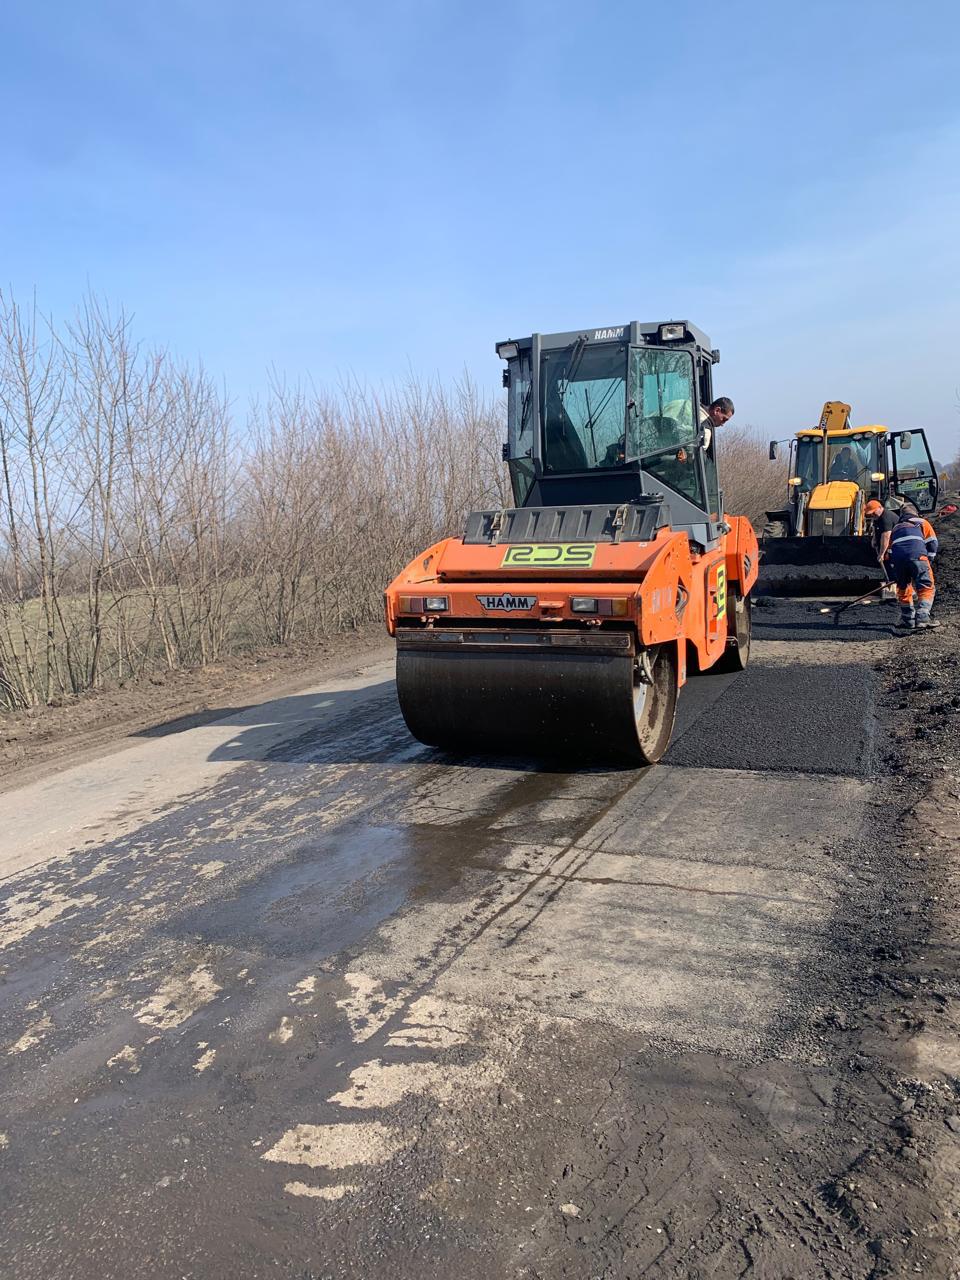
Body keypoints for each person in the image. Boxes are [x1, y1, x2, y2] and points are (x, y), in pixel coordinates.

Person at [885, 502, 940, 630]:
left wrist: (895, 569)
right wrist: (929, 560)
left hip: (899, 561)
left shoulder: (896, 528)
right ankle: (922, 618)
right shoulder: (922, 522)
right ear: (915, 513)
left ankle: (908, 620)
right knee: (926, 587)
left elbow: (889, 551)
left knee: (904, 589)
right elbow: (932, 543)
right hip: (918, 557)